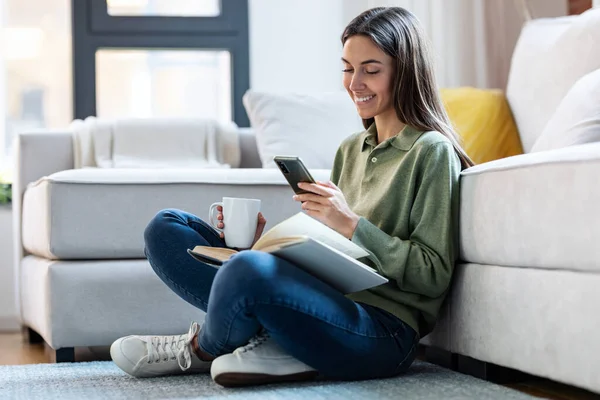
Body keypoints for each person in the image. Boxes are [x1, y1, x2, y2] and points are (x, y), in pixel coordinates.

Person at [109, 6, 474, 387]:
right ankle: (269, 335)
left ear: (405, 71)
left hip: (381, 331)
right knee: (167, 228)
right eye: (348, 68)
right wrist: (261, 247)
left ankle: (203, 348)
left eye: (371, 69)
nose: (355, 83)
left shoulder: (432, 151)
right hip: (324, 303)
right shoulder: (351, 149)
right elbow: (336, 254)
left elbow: (432, 275)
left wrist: (350, 224)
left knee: (247, 271)